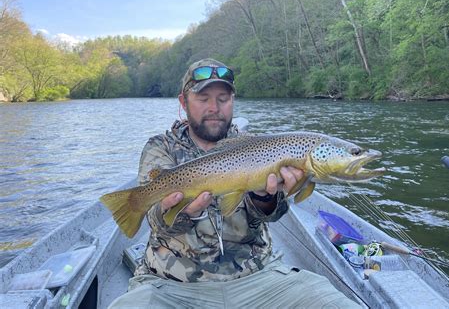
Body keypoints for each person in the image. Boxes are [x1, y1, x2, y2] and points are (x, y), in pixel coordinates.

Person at [109, 58, 360, 308]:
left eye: (223, 99)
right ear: (184, 102)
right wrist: (180, 212)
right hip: (173, 285)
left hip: (259, 278)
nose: (214, 107)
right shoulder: (160, 148)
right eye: (203, 98)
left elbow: (275, 215)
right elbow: (156, 222)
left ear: (233, 102)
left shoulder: (255, 146)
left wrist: (266, 198)